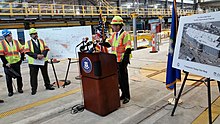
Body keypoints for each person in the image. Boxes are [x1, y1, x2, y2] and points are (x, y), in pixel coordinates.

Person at [102, 16, 132, 104]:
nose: (112, 27)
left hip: (122, 60)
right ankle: (123, 94)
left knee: (124, 79)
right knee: (119, 79)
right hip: (115, 60)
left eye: (114, 25)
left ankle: (127, 96)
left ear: (118, 26)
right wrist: (102, 42)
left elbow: (128, 48)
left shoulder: (125, 34)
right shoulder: (114, 35)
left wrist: (125, 61)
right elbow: (109, 44)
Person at [24, 28, 54, 95]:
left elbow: (46, 49)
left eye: (36, 33)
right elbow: (27, 51)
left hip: (43, 61)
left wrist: (43, 55)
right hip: (33, 62)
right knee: (33, 76)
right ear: (31, 35)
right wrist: (36, 56)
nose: (35, 35)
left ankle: (47, 85)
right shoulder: (28, 43)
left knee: (45, 74)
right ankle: (34, 89)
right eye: (34, 34)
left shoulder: (41, 41)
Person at [0, 29, 24, 97]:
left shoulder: (16, 42)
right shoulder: (2, 43)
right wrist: (6, 63)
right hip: (8, 64)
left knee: (19, 76)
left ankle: (20, 89)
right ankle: (10, 91)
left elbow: (22, 50)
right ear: (5, 36)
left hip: (16, 62)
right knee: (8, 78)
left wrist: (21, 59)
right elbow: (1, 55)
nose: (10, 36)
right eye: (8, 36)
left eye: (10, 35)